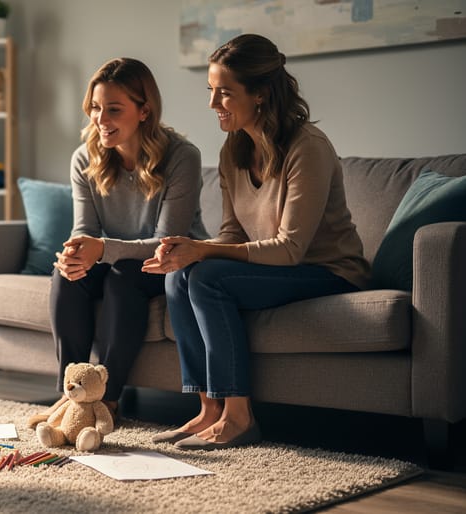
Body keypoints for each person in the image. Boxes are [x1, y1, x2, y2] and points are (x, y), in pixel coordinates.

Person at [142, 34, 370, 450]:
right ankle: (209, 410)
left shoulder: (309, 149)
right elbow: (233, 235)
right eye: (211, 91)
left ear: (261, 94)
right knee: (180, 276)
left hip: (328, 271)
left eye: (225, 93)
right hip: (276, 268)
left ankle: (240, 417)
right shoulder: (234, 151)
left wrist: (204, 250)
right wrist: (185, 250)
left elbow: (290, 248)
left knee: (207, 276)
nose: (213, 104)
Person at [28, 57, 208, 428]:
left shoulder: (181, 157)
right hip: (110, 258)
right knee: (68, 275)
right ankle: (71, 397)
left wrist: (102, 250)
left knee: (123, 275)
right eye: (95, 108)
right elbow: (84, 231)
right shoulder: (85, 158)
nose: (100, 119)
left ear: (144, 111)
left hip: (169, 262)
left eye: (113, 109)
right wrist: (75, 255)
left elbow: (166, 241)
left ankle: (107, 401)